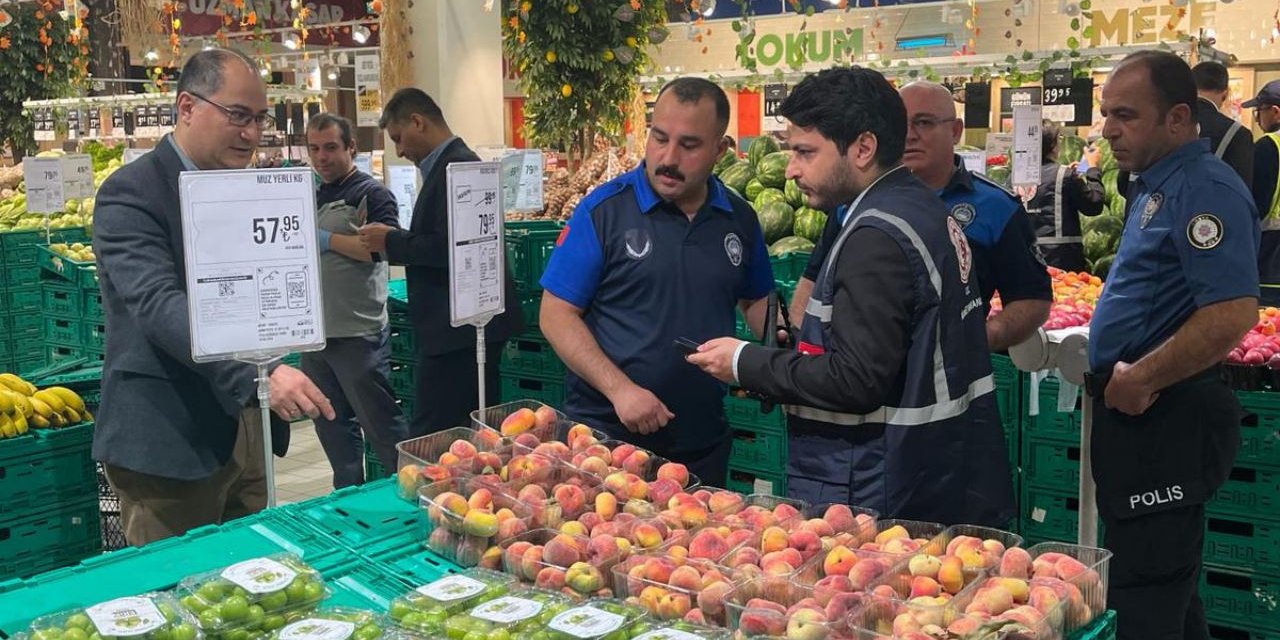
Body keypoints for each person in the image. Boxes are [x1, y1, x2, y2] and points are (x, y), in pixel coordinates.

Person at [687, 68, 1013, 526]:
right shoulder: (918, 209)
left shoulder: (876, 235)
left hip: (876, 485)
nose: (792, 169)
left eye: (805, 152)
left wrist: (744, 361)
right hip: (929, 469)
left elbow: (857, 380)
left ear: (862, 148)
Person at [92, 48, 335, 546]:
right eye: (237, 116)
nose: (251, 133)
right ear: (186, 107)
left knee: (252, 581)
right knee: (177, 596)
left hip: (248, 430)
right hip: (170, 443)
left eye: (259, 119)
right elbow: (159, 304)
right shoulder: (129, 194)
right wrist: (257, 372)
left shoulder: (244, 190)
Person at [1088, 50, 1258, 640]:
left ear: (1179, 119)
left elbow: (1233, 311)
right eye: (1107, 113)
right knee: (1165, 584)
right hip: (1139, 414)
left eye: (1127, 115)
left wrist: (1144, 378)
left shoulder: (1203, 191)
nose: (1108, 128)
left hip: (1166, 415)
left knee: (1145, 589)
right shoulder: (1154, 184)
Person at [539, 78, 774, 485]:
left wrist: (787, 358)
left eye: (689, 145)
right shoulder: (603, 212)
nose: (668, 157)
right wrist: (620, 390)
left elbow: (758, 302)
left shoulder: (739, 218)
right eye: (659, 138)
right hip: (606, 443)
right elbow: (556, 314)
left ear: (720, 150)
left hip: (700, 443)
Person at [789, 82, 1052, 352]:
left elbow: (1032, 299)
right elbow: (813, 279)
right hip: (858, 373)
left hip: (946, 375)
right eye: (901, 125)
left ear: (955, 131)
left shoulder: (996, 207)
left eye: (924, 123)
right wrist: (802, 345)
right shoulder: (852, 203)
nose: (909, 135)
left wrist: (981, 337)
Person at [359, 89, 523, 434]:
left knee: (436, 433)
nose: (400, 151)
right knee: (463, 428)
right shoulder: (453, 167)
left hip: (460, 332)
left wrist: (389, 240)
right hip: (463, 326)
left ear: (418, 122)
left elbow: (449, 248)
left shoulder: (458, 168)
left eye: (399, 139)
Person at [304, 113, 410, 487]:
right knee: (331, 425)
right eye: (314, 149)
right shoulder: (310, 194)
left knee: (382, 426)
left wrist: (326, 240)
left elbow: (379, 250)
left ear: (351, 148)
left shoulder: (371, 193)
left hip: (358, 332)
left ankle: (411, 496)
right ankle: (346, 501)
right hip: (315, 334)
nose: (322, 157)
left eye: (331, 148)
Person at [1026, 120, 1106, 272]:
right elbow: (1094, 205)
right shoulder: (1064, 175)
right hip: (1062, 260)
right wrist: (1093, 168)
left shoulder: (1014, 177)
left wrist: (1070, 175)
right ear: (1053, 145)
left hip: (1025, 259)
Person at [1244, 80, 1280, 305]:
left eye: (1259, 111)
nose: (1258, 118)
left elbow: (1254, 203)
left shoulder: (1269, 146)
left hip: (1271, 259)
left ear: (1275, 112)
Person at [1192, 61, 1254, 187]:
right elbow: (1241, 190)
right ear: (1225, 94)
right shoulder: (1238, 134)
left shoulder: (1171, 123)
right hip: (1212, 204)